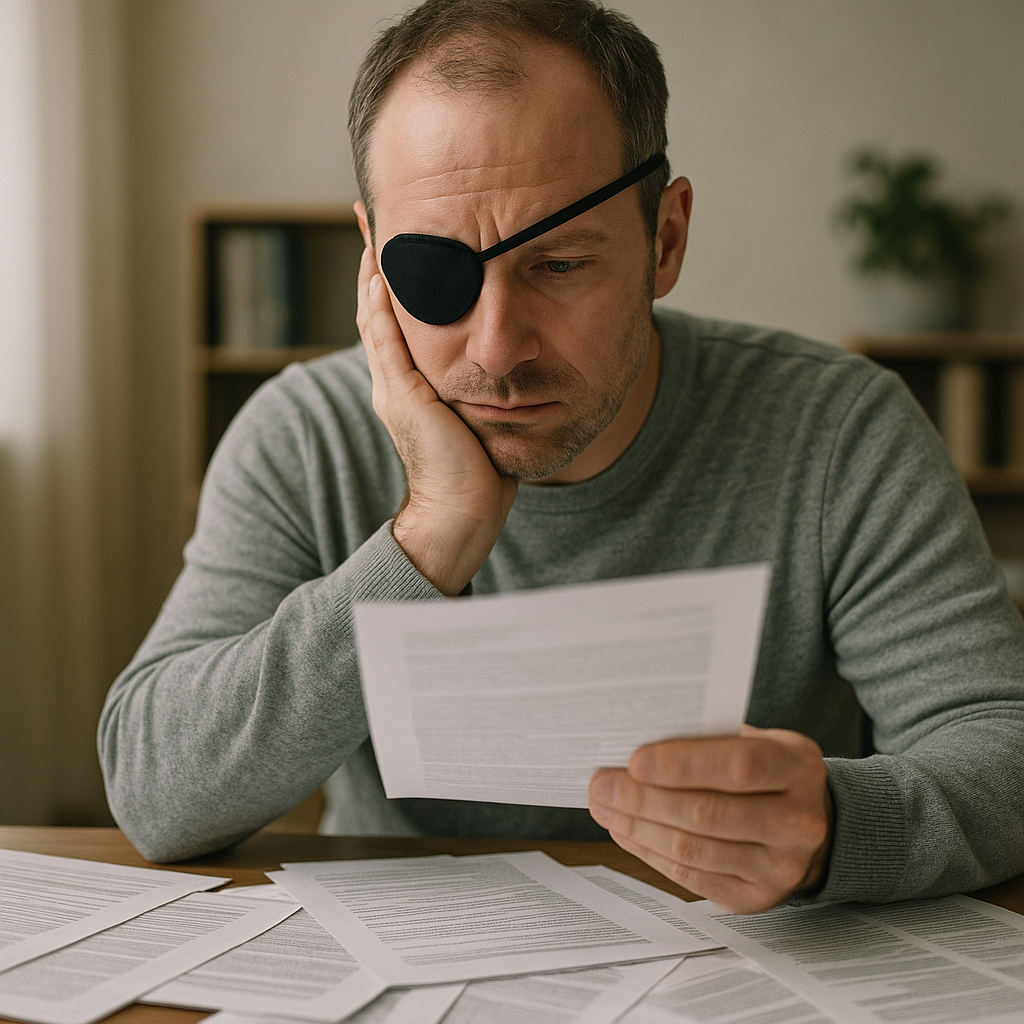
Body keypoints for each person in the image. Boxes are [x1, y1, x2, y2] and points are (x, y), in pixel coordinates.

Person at [98, 0, 1024, 913]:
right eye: (436, 274)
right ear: (373, 261)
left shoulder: (838, 431)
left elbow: (1001, 743)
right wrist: (428, 539)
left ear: (664, 240)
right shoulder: (304, 435)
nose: (497, 351)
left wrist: (836, 827)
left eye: (560, 265)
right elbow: (155, 795)